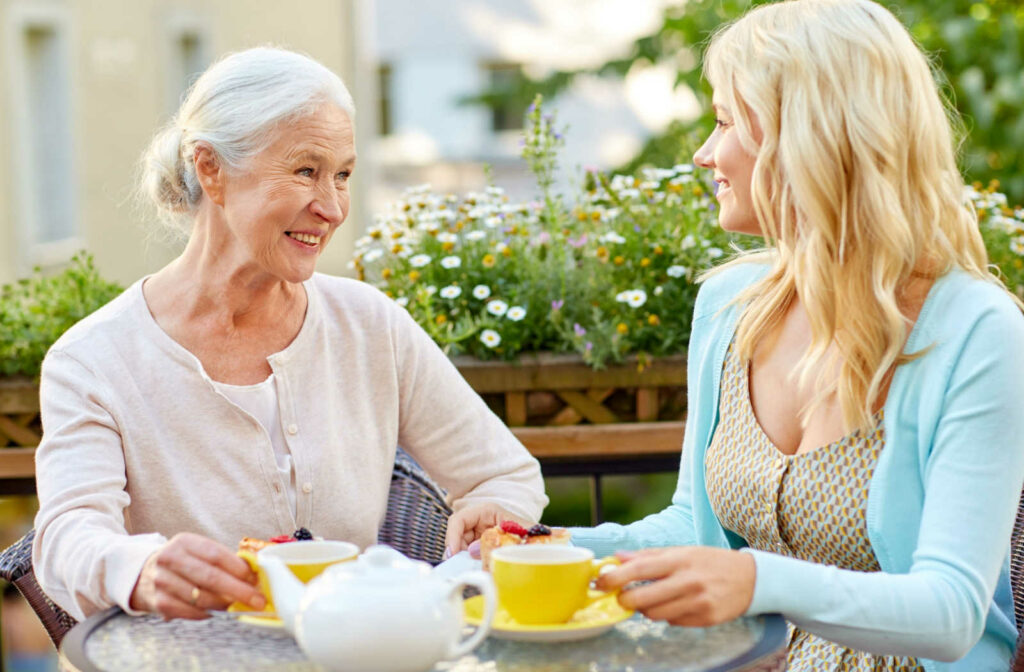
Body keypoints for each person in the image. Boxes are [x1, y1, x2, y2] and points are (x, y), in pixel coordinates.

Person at [571, 1, 1024, 670]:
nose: (704, 152)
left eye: (725, 121)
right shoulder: (730, 307)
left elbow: (952, 610)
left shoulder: (977, 332)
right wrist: (555, 545)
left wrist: (757, 581)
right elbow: (694, 528)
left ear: (811, 137)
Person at [32, 47, 547, 622]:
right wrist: (139, 569)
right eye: (306, 171)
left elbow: (504, 472)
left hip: (356, 653)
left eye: (344, 175)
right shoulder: (94, 358)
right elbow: (67, 536)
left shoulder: (369, 325)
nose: (331, 207)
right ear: (211, 168)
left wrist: (492, 509)